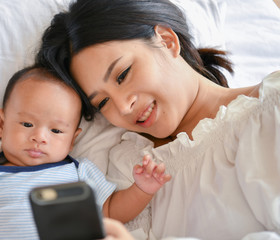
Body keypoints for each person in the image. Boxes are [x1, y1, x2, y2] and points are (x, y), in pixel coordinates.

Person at [35, 0, 280, 239]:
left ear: (166, 40)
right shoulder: (128, 169)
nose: (123, 107)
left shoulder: (270, 106)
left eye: (122, 75)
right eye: (103, 103)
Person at [0, 66, 171, 240]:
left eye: (56, 130)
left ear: (73, 140)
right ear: (2, 125)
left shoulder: (78, 172)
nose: (39, 137)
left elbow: (110, 211)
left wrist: (142, 190)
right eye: (27, 124)